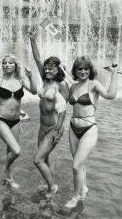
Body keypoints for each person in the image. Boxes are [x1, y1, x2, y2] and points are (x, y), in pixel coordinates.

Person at [65, 56, 118, 208]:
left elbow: (110, 95)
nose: (83, 71)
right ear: (75, 70)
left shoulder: (94, 84)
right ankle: (84, 188)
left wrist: (114, 74)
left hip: (89, 129)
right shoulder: (74, 86)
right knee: (80, 164)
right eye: (80, 69)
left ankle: (75, 198)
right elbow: (67, 88)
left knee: (76, 166)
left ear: (90, 70)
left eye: (86, 68)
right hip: (73, 129)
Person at [0, 54, 37, 188]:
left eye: (10, 63)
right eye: (5, 63)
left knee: (10, 151)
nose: (7, 65)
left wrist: (30, 76)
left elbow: (35, 92)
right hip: (1, 119)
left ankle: (8, 178)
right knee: (16, 151)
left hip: (16, 121)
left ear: (15, 65)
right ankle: (5, 169)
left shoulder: (21, 80)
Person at [29, 28, 69, 198]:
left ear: (58, 69)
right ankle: (49, 183)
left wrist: (58, 130)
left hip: (53, 127)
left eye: (51, 68)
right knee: (45, 158)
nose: (47, 70)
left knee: (37, 159)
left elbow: (63, 109)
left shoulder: (61, 85)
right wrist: (32, 39)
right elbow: (37, 58)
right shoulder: (45, 80)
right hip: (42, 127)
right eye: (46, 68)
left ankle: (52, 187)